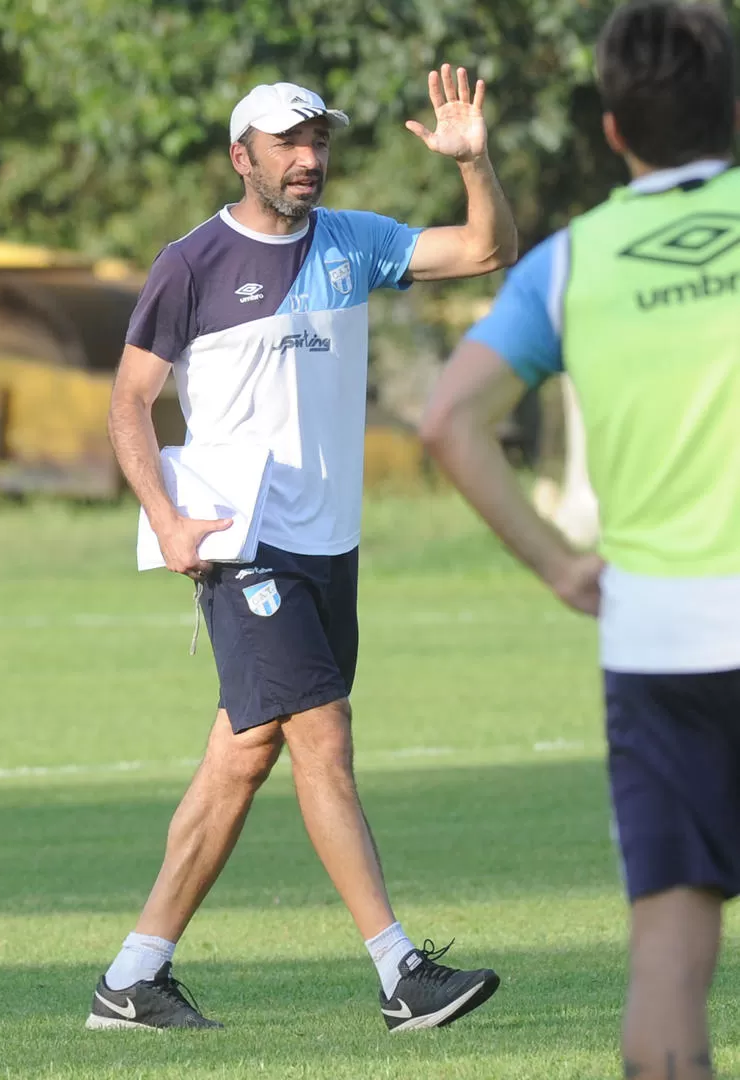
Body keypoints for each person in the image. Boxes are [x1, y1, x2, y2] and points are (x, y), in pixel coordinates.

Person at [86, 68, 517, 1032]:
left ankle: (132, 978)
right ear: (243, 156)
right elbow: (127, 402)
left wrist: (475, 163)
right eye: (287, 142)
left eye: (318, 139)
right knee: (323, 738)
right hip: (246, 542)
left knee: (243, 757)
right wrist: (163, 515)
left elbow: (487, 248)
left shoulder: (355, 243)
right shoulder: (191, 264)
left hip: (331, 543)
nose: (308, 157)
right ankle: (401, 972)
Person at [419, 4, 739, 1077]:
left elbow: (448, 421)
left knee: (667, 960)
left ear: (612, 131)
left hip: (659, 645)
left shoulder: (571, 262)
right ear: (735, 111)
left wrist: (557, 563)